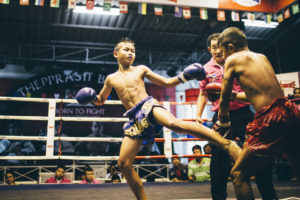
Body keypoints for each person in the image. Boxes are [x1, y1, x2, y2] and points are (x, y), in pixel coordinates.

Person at [75, 37, 241, 200]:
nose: (131, 53)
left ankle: (226, 143)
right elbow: (101, 100)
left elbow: (167, 83)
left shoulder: (141, 69)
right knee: (123, 165)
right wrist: (91, 98)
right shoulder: (111, 78)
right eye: (126, 50)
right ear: (115, 54)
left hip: (148, 106)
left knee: (175, 124)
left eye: (133, 51)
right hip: (134, 118)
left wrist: (185, 76)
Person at [217, 27, 300, 200]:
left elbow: (224, 99)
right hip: (291, 111)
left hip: (271, 118)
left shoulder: (232, 59)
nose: (223, 57)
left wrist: (223, 120)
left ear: (230, 47)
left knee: (238, 175)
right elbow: (259, 95)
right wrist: (236, 95)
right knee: (297, 167)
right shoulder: (262, 57)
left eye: (222, 52)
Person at [196, 33, 278, 200]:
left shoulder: (238, 61)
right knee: (219, 160)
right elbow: (203, 94)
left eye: (220, 47)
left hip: (244, 114)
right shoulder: (205, 69)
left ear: (226, 47)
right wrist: (198, 114)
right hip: (221, 115)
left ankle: (268, 194)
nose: (218, 51)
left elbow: (230, 94)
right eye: (214, 47)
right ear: (209, 49)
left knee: (260, 154)